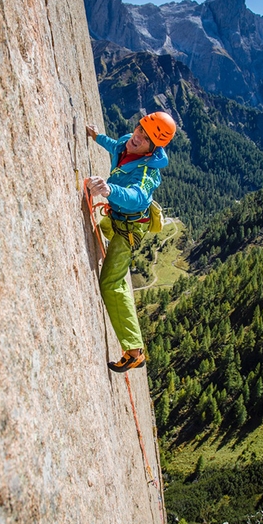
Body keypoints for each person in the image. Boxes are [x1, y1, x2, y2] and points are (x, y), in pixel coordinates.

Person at [86, 112, 176, 373]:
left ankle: (134, 351)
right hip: (116, 219)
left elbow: (137, 197)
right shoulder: (129, 141)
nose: (137, 137)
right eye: (139, 129)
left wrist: (110, 190)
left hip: (129, 229)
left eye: (145, 138)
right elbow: (116, 146)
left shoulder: (148, 172)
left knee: (111, 283)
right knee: (104, 228)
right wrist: (96, 136)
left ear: (152, 148)